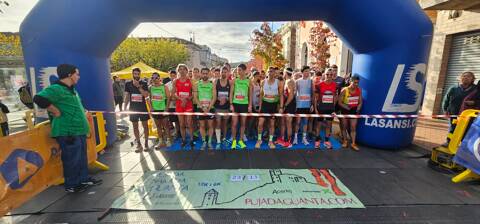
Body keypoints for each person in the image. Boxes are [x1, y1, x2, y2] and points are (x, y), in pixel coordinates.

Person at [33, 64, 102, 193]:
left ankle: (83, 179)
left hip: (79, 130)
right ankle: (72, 184)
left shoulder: (72, 90)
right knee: (72, 159)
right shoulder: (56, 89)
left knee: (81, 157)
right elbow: (38, 98)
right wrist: (55, 111)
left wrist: (84, 112)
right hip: (68, 131)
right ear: (69, 75)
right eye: (77, 74)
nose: (79, 76)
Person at [442, 71, 476, 146]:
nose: (466, 78)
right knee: (452, 128)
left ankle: (462, 145)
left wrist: (474, 102)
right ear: (460, 78)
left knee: (465, 129)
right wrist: (445, 109)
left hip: (466, 115)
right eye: (464, 76)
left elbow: (478, 100)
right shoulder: (454, 88)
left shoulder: (475, 89)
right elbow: (446, 99)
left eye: (468, 76)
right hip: (453, 112)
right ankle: (448, 142)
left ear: (473, 79)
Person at [255, 66, 284, 149]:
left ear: (274, 73)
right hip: (264, 105)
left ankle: (270, 141)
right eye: (269, 71)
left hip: (273, 105)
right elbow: (261, 95)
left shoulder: (278, 82)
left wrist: (281, 107)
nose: (270, 73)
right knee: (260, 123)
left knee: (271, 124)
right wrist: (260, 106)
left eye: (271, 71)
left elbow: (281, 95)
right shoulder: (263, 82)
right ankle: (259, 140)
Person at [124, 68, 150, 152]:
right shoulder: (128, 83)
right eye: (135, 74)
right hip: (133, 108)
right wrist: (125, 107)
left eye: (138, 74)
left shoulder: (144, 83)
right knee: (135, 126)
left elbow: (146, 95)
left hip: (142, 108)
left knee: (145, 125)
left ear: (140, 74)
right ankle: (139, 144)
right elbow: (127, 95)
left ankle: (146, 143)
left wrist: (138, 86)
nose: (136, 76)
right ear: (132, 74)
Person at [172, 64, 195, 149]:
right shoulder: (175, 81)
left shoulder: (191, 80)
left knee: (189, 123)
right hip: (180, 104)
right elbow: (173, 93)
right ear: (178, 71)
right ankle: (184, 139)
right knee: (181, 124)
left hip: (188, 104)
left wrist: (187, 99)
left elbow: (194, 93)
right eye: (180, 69)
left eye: (184, 69)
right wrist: (181, 99)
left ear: (186, 70)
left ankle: (191, 139)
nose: (182, 71)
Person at [193, 68, 217, 150]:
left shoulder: (212, 84)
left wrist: (209, 107)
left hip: (210, 108)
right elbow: (195, 98)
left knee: (210, 125)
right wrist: (203, 107)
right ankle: (204, 141)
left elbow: (214, 97)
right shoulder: (197, 84)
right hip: (200, 108)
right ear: (201, 74)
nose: (205, 75)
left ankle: (209, 142)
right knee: (202, 125)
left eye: (206, 73)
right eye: (203, 73)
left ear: (209, 74)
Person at [230, 63, 252, 149]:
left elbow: (250, 93)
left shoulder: (248, 81)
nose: (238, 72)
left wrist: (250, 105)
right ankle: (234, 141)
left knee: (243, 124)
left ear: (244, 71)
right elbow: (231, 93)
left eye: (240, 70)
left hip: (244, 104)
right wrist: (231, 104)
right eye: (238, 70)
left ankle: (240, 140)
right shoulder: (234, 80)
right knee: (234, 124)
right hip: (235, 104)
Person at [314, 68, 337, 149]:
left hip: (330, 108)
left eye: (331, 74)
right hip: (321, 108)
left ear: (333, 75)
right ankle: (317, 140)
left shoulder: (335, 85)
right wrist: (316, 109)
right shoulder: (319, 85)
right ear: (324, 74)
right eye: (327, 74)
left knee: (329, 125)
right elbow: (315, 98)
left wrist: (334, 109)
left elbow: (334, 97)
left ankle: (326, 140)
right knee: (319, 125)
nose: (329, 76)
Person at [338, 75, 362, 151]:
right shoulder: (344, 90)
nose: (356, 84)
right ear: (350, 81)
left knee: (353, 127)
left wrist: (358, 108)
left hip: (354, 111)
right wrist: (346, 107)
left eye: (357, 83)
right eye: (355, 83)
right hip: (345, 110)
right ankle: (345, 141)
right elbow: (339, 102)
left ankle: (353, 143)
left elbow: (360, 101)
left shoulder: (359, 90)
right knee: (344, 127)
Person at [149, 72, 172, 149]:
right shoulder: (150, 87)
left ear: (159, 78)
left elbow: (169, 98)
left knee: (166, 126)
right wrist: (151, 107)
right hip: (155, 110)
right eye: (153, 78)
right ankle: (161, 141)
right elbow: (149, 98)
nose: (154, 79)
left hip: (163, 109)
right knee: (158, 126)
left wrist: (166, 108)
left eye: (156, 78)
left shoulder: (164, 86)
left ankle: (168, 140)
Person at [293, 66, 314, 145]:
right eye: (305, 71)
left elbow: (312, 93)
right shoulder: (297, 81)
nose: (307, 73)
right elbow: (295, 94)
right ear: (302, 72)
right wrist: (295, 105)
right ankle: (295, 138)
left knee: (305, 122)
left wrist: (312, 104)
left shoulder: (311, 81)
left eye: (308, 71)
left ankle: (304, 139)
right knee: (297, 122)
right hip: (299, 105)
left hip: (307, 105)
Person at [214, 66, 232, 149]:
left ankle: (224, 138)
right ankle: (218, 140)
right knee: (218, 122)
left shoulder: (230, 82)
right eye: (222, 72)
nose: (223, 73)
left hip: (226, 106)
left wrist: (226, 99)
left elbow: (232, 94)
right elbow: (213, 94)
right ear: (220, 72)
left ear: (228, 73)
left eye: (225, 72)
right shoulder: (216, 81)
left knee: (224, 123)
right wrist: (219, 99)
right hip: (218, 106)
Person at [277, 68, 295, 148]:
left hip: (290, 105)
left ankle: (289, 141)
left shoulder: (290, 81)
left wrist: (285, 105)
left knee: (288, 124)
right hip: (287, 104)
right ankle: (282, 139)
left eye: (283, 72)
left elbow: (291, 96)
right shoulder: (287, 81)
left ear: (285, 73)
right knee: (283, 123)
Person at [165, 70, 180, 139]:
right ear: (169, 76)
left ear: (176, 75)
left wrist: (176, 99)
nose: (173, 77)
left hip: (179, 104)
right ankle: (177, 132)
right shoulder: (167, 85)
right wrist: (172, 99)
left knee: (179, 120)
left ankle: (179, 132)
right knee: (173, 120)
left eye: (174, 76)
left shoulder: (179, 82)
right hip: (171, 105)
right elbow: (167, 95)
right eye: (171, 76)